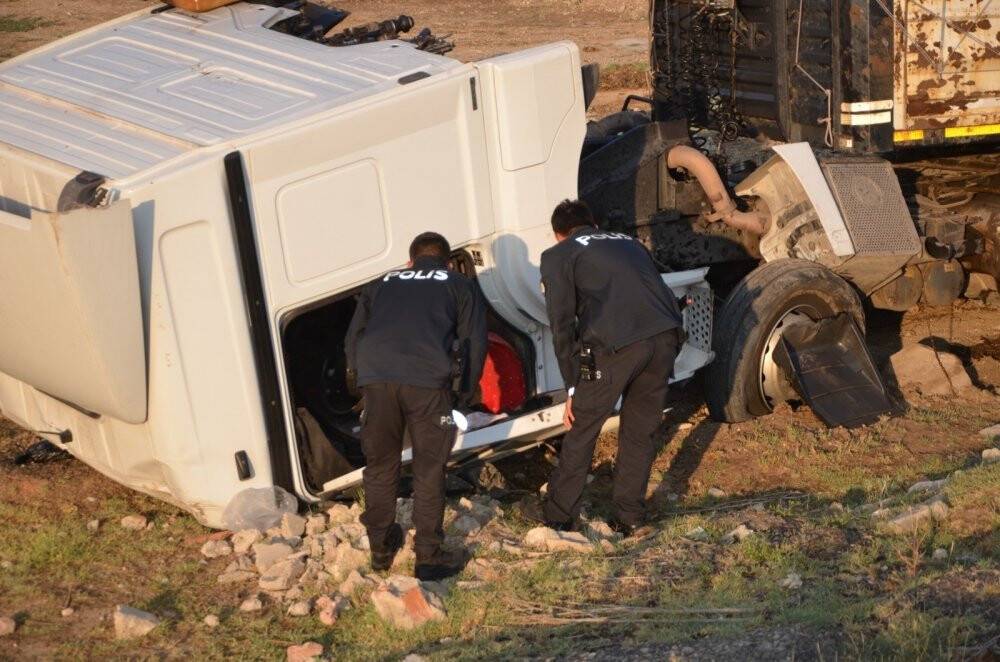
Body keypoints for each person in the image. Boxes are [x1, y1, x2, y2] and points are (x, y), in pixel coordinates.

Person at [524, 200, 684, 536]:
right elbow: (656, 290)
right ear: (594, 225)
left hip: (616, 346)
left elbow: (562, 324)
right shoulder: (629, 244)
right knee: (640, 432)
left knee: (582, 427)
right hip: (663, 337)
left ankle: (559, 518)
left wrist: (572, 387)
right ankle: (630, 518)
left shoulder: (560, 254)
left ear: (558, 235)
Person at [345, 232, 487, 580]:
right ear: (447, 261)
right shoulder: (458, 283)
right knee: (428, 468)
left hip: (377, 380)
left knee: (380, 465)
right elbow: (473, 343)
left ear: (410, 261)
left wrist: (359, 381)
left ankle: (380, 549)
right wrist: (463, 396)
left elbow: (353, 337)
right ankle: (428, 556)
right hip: (428, 383)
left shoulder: (381, 283)